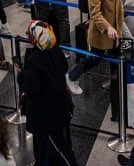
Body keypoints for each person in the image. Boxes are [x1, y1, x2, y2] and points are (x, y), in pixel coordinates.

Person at [66, 0, 129, 116]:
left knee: (116, 60)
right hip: (102, 33)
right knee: (94, 59)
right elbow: (94, 11)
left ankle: (116, 88)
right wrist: (107, 27)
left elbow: (117, 5)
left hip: (115, 33)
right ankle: (72, 76)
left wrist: (119, 27)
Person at [19, 20, 78, 165]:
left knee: (58, 148)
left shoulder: (35, 60)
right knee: (54, 143)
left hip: (44, 115)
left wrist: (21, 75)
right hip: (60, 107)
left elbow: (30, 87)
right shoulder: (57, 51)